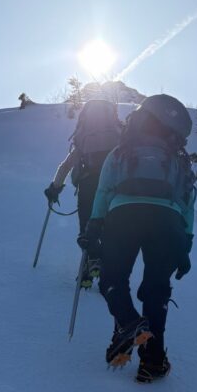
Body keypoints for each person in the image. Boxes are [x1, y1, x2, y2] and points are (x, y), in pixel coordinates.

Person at [78, 94, 196, 382]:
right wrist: (186, 242)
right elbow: (187, 201)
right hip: (168, 222)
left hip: (123, 216)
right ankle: (153, 362)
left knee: (112, 280)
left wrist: (94, 224)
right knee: (157, 290)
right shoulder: (177, 159)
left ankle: (129, 324)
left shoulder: (121, 151)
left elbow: (104, 190)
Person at [44, 99, 122, 287]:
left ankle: (89, 269)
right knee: (108, 229)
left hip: (88, 185)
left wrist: (55, 188)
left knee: (87, 229)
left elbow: (66, 166)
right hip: (113, 188)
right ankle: (107, 272)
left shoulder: (84, 135)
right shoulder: (118, 133)